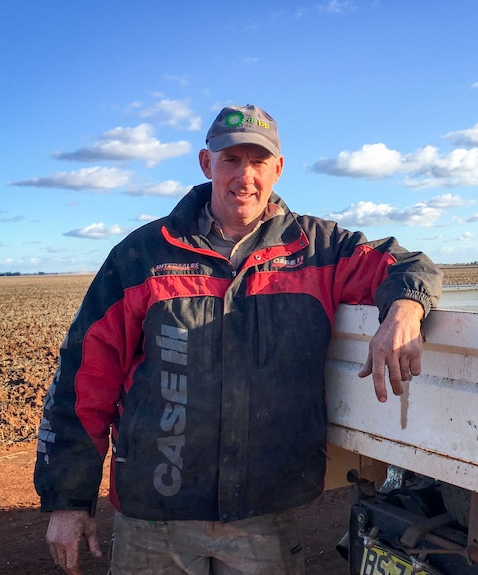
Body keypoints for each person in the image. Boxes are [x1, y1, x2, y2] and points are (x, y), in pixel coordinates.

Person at [34, 104, 442, 574]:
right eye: (230, 160)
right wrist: (68, 501)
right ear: (207, 163)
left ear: (278, 169)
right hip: (154, 516)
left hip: (265, 515)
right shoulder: (142, 255)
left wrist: (405, 310)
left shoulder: (319, 249)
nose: (244, 176)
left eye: (258, 161)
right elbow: (84, 379)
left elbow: (410, 265)